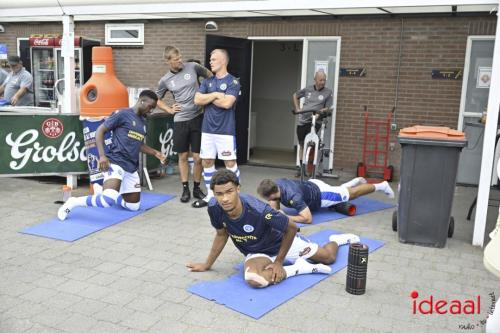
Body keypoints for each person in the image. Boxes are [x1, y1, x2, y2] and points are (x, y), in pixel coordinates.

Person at [186, 169, 360, 288]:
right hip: (257, 251)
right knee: (254, 281)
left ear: (238, 189)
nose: (224, 199)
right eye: (219, 194)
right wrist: (207, 264)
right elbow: (221, 234)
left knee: (328, 258)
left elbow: (291, 228)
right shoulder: (214, 207)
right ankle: (298, 268)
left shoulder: (261, 211)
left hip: (282, 243)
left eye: (229, 191)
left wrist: (278, 263)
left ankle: (336, 240)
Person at [57, 90, 165, 221]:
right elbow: (99, 131)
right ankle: (73, 202)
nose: (151, 111)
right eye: (150, 107)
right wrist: (102, 156)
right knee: (107, 201)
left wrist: (155, 152)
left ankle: (108, 192)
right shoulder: (123, 114)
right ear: (142, 101)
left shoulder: (143, 122)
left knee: (133, 206)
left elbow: (139, 144)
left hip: (131, 167)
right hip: (116, 162)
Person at [156, 46, 213, 203]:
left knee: (198, 158)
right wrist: (169, 108)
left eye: (180, 57)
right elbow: (156, 99)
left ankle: (196, 188)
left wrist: (206, 96)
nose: (180, 60)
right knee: (182, 156)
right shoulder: (165, 80)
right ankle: (185, 189)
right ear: (168, 61)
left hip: (198, 118)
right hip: (180, 120)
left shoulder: (193, 67)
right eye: (176, 59)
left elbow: (211, 77)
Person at [191, 49, 241, 208]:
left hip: (225, 131)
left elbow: (227, 103)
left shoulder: (233, 82)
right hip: (207, 130)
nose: (210, 62)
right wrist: (216, 95)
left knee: (230, 162)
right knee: (206, 161)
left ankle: (236, 195)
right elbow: (198, 99)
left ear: (223, 61)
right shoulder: (207, 82)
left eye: (213, 59)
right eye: (210, 59)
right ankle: (211, 196)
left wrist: (210, 97)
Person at [257, 177, 394, 224]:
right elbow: (274, 204)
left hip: (322, 195)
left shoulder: (294, 197)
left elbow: (308, 219)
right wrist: (275, 213)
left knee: (352, 194)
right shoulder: (276, 184)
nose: (267, 201)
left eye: (267, 198)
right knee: (340, 191)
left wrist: (287, 217)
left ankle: (382, 185)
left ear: (272, 194)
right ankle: (355, 180)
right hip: (312, 184)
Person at [293, 71, 332, 177]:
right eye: (321, 80)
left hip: (315, 121)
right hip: (303, 120)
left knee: (312, 144)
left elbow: (327, 107)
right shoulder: (308, 89)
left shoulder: (328, 92)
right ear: (315, 79)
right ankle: (301, 168)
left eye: (324, 80)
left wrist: (319, 113)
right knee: (301, 144)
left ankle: (312, 167)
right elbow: (295, 95)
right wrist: (297, 108)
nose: (323, 82)